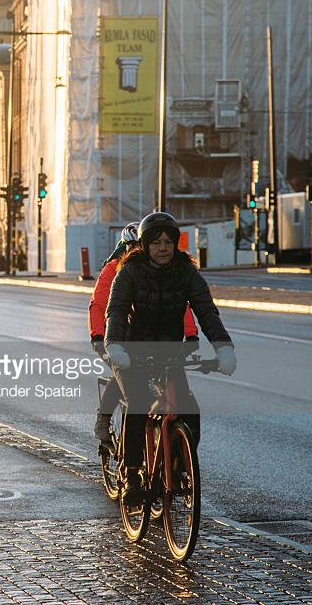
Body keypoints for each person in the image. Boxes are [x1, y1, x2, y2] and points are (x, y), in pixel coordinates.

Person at [105, 212, 236, 504]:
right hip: (131, 352)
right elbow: (116, 311)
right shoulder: (129, 272)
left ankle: (177, 466)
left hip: (169, 352)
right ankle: (132, 474)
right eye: (156, 242)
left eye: (168, 242)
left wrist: (223, 348)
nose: (163, 248)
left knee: (188, 409)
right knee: (138, 403)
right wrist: (114, 346)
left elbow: (206, 311)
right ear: (145, 245)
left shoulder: (185, 271)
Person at [88, 222, 199, 442]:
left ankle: (179, 451)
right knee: (127, 379)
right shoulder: (114, 270)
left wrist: (191, 334)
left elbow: (179, 306)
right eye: (134, 247)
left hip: (148, 336)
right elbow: (99, 305)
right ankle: (104, 418)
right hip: (117, 336)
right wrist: (98, 337)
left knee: (182, 399)